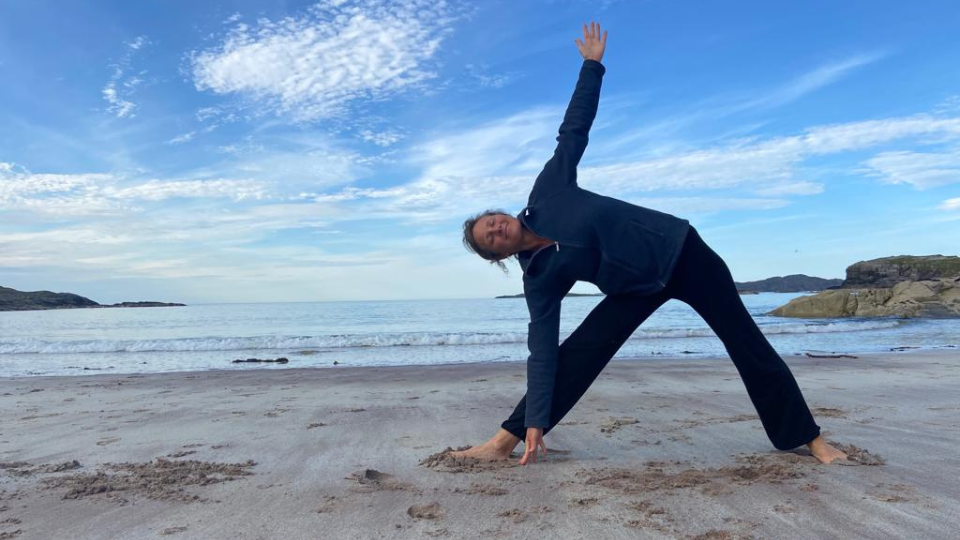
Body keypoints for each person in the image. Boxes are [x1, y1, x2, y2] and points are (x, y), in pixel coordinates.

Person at [456, 22, 848, 466]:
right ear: (499, 257)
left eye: (491, 221)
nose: (495, 228)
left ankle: (810, 438)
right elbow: (542, 352)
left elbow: (572, 132)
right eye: (489, 238)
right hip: (634, 289)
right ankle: (506, 439)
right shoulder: (540, 280)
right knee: (579, 353)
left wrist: (592, 66)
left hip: (682, 253)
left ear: (501, 213)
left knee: (746, 343)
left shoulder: (548, 192)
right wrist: (535, 417)